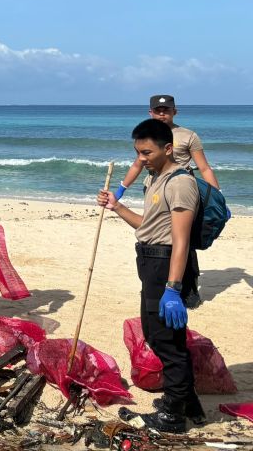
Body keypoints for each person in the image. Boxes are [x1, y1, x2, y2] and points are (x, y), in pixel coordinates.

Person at [97, 119, 204, 432]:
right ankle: (187, 402)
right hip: (150, 261)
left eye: (146, 152)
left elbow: (180, 240)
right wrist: (117, 206)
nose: (140, 159)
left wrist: (173, 288)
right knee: (163, 335)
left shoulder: (180, 182)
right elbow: (148, 226)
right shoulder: (155, 179)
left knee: (164, 339)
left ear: (168, 148)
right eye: (137, 152)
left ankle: (173, 415)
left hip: (166, 266)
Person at [116, 95, 220, 309]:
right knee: (156, 233)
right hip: (154, 187)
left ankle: (187, 287)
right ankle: (154, 282)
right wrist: (120, 191)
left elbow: (205, 167)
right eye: (157, 110)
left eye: (166, 110)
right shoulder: (147, 136)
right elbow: (138, 165)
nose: (162, 114)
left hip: (181, 188)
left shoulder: (188, 135)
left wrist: (217, 197)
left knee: (183, 239)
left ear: (175, 111)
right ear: (150, 112)